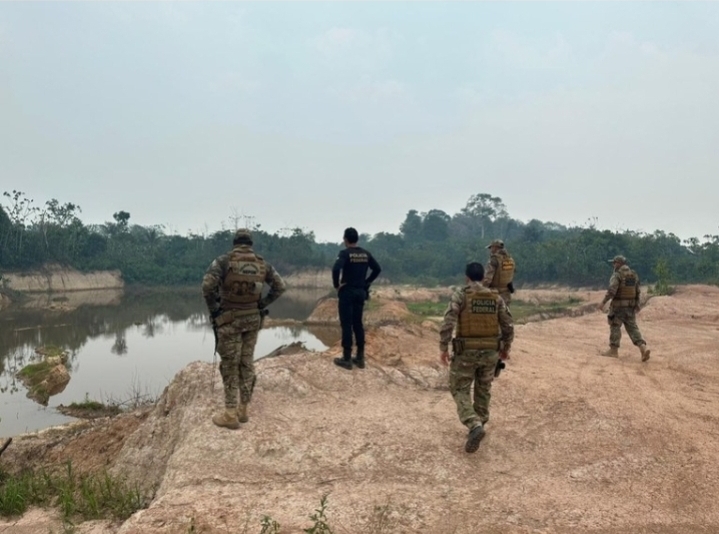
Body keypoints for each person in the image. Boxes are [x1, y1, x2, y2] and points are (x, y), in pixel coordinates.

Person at [202, 229, 286, 429]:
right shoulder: (262, 264)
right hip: (252, 320)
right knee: (246, 363)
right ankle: (243, 409)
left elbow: (207, 286)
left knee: (230, 365)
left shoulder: (223, 262)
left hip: (229, 320)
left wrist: (214, 309)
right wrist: (262, 303)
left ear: (235, 243)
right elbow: (280, 286)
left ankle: (230, 414)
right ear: (250, 244)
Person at [440, 262, 514, 453]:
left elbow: (448, 322)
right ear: (483, 277)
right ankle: (480, 423)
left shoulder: (461, 295)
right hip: (490, 352)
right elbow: (508, 325)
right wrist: (506, 348)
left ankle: (474, 424)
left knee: (459, 387)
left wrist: (444, 347)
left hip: (466, 352)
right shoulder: (496, 297)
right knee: (483, 388)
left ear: (467, 277)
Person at [331, 227, 382, 370]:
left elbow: (336, 269)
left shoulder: (345, 253)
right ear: (357, 239)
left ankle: (346, 358)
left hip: (347, 292)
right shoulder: (366, 254)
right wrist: (367, 282)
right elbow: (377, 269)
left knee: (346, 324)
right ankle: (360, 358)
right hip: (360, 292)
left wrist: (337, 285)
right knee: (358, 324)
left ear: (345, 239)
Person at [598, 255, 651, 362]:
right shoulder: (633, 275)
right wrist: (636, 304)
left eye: (614, 263)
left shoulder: (617, 275)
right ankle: (643, 348)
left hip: (618, 307)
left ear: (619, 263)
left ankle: (613, 351)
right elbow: (637, 291)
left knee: (615, 326)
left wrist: (603, 302)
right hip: (630, 307)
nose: (613, 265)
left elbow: (612, 291)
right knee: (633, 328)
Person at [482, 239, 516, 305]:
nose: (490, 250)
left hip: (495, 294)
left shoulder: (494, 260)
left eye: (491, 248)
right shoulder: (510, 260)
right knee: (505, 311)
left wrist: (481, 290)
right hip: (506, 295)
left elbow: (487, 279)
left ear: (495, 247)